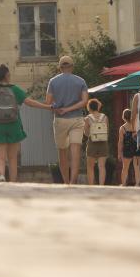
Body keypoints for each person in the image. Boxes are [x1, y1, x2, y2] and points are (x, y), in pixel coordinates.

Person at [0, 64, 52, 182]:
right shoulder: (15, 89)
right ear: (7, 75)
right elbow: (29, 102)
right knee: (12, 158)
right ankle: (13, 182)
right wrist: (47, 107)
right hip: (14, 125)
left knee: (0, 157)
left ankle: (2, 176)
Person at [47, 55, 89, 185]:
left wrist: (60, 108)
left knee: (62, 151)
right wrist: (70, 108)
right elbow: (84, 101)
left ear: (60, 68)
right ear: (72, 67)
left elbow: (48, 102)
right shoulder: (81, 81)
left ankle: (65, 181)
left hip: (60, 119)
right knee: (75, 149)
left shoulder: (53, 82)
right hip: (77, 118)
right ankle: (73, 180)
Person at [84, 98, 109, 185]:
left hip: (92, 143)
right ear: (98, 107)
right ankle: (101, 185)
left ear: (89, 107)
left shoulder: (87, 118)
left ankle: (91, 185)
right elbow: (107, 131)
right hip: (103, 143)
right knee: (102, 166)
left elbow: (86, 133)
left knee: (90, 167)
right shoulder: (105, 117)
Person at [118, 109, 140, 187]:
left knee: (125, 168)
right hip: (136, 148)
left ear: (123, 117)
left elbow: (120, 142)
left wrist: (119, 152)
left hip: (127, 149)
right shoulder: (136, 126)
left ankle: (124, 183)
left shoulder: (122, 128)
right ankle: (137, 184)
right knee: (137, 167)